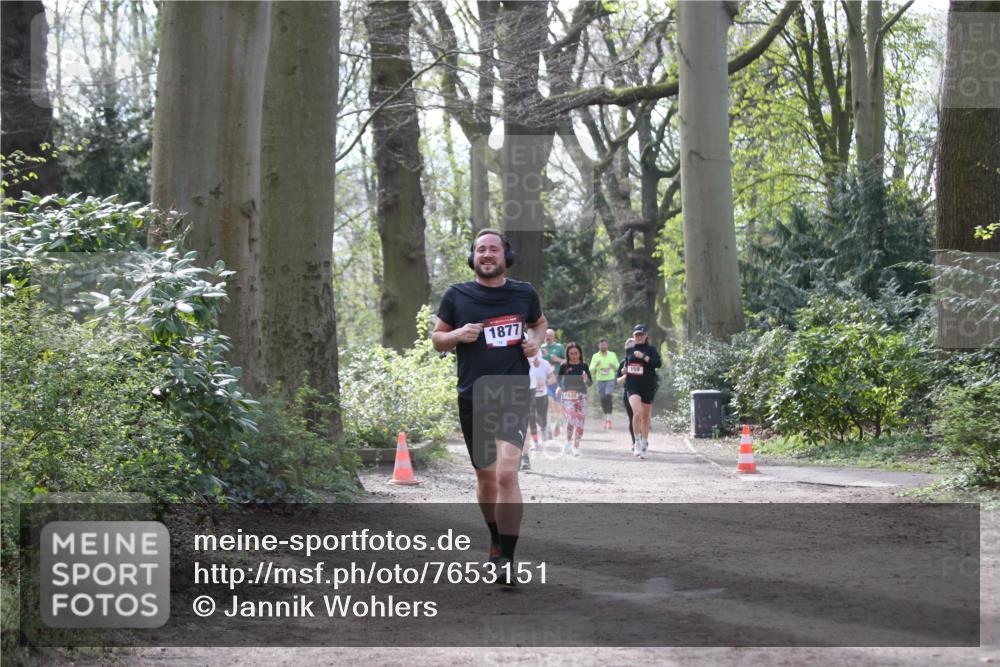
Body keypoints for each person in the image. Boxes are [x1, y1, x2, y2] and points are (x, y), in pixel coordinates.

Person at [431, 228, 548, 583]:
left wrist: (535, 342)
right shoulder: (457, 295)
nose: (487, 254)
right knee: (485, 478)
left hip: (513, 391)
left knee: (506, 474)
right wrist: (457, 335)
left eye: (493, 249)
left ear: (505, 256)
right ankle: (495, 539)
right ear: (473, 257)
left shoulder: (524, 293)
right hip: (473, 396)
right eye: (480, 249)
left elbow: (539, 324)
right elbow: (437, 339)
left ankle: (508, 560)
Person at [624, 324, 662, 460]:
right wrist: (624, 370)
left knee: (645, 418)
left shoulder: (651, 349)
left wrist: (643, 357)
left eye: (641, 334)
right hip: (632, 386)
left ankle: (645, 443)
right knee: (637, 413)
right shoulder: (629, 350)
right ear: (633, 336)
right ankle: (637, 442)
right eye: (636, 335)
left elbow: (658, 364)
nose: (639, 337)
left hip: (648, 386)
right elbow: (626, 365)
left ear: (646, 336)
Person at [557, 342, 592, 457]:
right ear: (568, 354)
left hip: (581, 397)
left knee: (580, 423)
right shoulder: (564, 366)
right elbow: (559, 380)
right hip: (568, 397)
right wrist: (560, 388)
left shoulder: (584, 366)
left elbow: (590, 383)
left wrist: (586, 379)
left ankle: (576, 446)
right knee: (571, 419)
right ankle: (568, 441)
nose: (574, 356)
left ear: (580, 353)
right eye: (571, 353)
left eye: (576, 353)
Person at [589, 337, 620, 430]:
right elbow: (591, 370)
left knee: (608, 396)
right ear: (599, 346)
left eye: (605, 344)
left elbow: (618, 366)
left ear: (607, 345)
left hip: (610, 379)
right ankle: (606, 417)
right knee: (603, 399)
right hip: (600, 380)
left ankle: (609, 419)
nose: (603, 346)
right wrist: (595, 365)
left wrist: (613, 366)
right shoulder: (595, 356)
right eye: (601, 344)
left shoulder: (612, 354)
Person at [527, 352, 553, 454]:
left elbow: (553, 378)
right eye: (533, 361)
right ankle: (535, 442)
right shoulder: (527, 364)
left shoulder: (545, 364)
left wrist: (545, 382)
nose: (535, 362)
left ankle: (544, 427)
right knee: (531, 418)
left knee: (542, 418)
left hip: (542, 395)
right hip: (530, 394)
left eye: (537, 360)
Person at [541, 329, 566, 436]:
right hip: (545, 380)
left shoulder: (559, 347)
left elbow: (568, 362)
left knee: (557, 405)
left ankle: (558, 423)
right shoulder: (541, 348)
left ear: (554, 337)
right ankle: (548, 429)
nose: (548, 337)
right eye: (546, 335)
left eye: (551, 335)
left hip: (558, 380)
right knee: (549, 403)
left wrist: (557, 360)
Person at [616, 337, 636, 450]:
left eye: (633, 347)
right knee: (632, 418)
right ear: (625, 348)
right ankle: (635, 442)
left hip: (642, 392)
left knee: (642, 417)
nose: (631, 349)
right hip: (628, 392)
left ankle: (643, 439)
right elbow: (618, 381)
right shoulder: (623, 363)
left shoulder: (642, 361)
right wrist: (625, 375)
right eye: (629, 347)